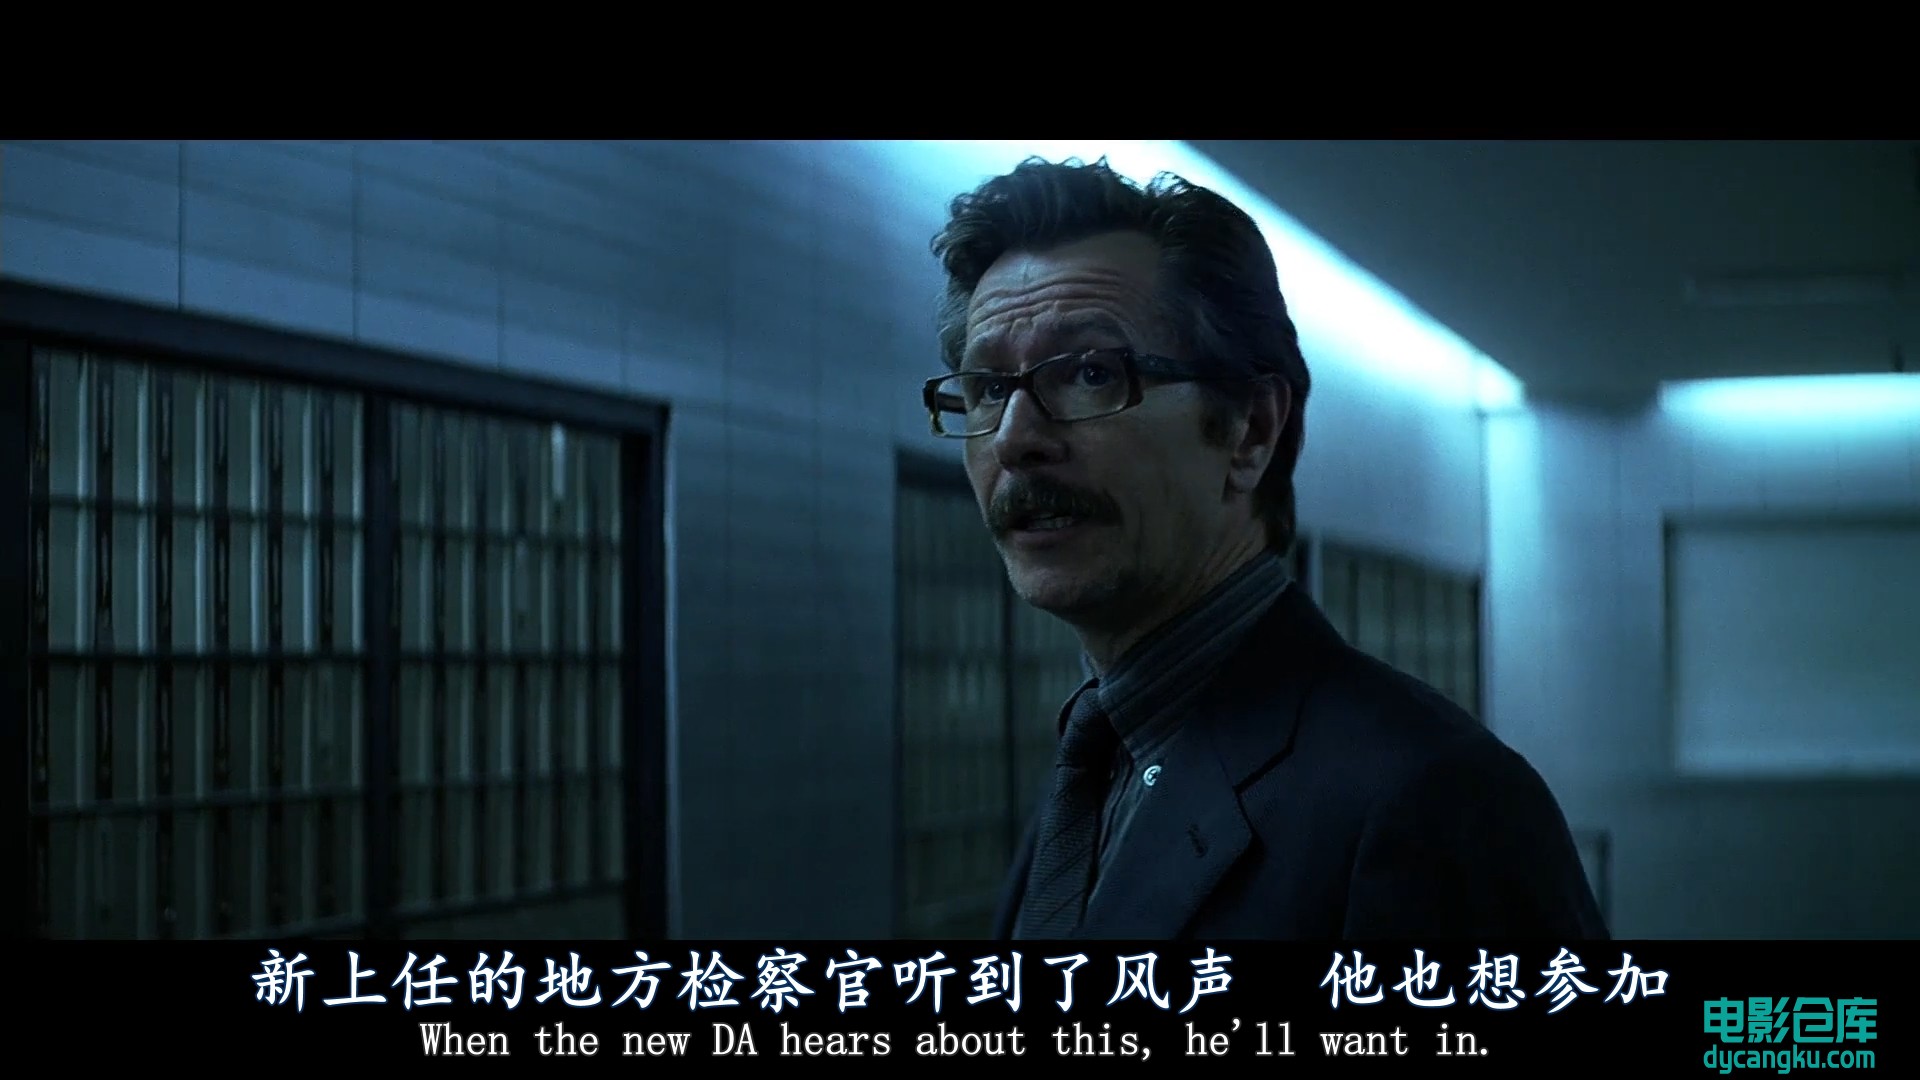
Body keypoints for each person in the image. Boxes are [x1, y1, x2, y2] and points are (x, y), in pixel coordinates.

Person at [923, 157, 1608, 941]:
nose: (1015, 439)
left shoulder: (1434, 799)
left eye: (1089, 372)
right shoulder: (1094, 766)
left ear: (1249, 431)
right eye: (987, 389)